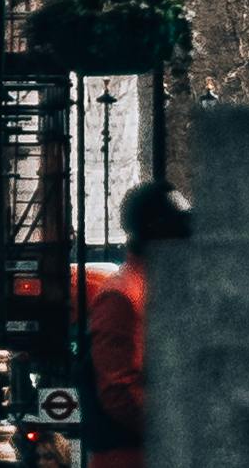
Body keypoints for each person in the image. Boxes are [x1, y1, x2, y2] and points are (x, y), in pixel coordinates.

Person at [86, 180, 192, 468]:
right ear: (156, 230)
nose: (187, 238)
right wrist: (183, 427)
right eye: (179, 228)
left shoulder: (148, 287)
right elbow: (120, 392)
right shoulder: (122, 295)